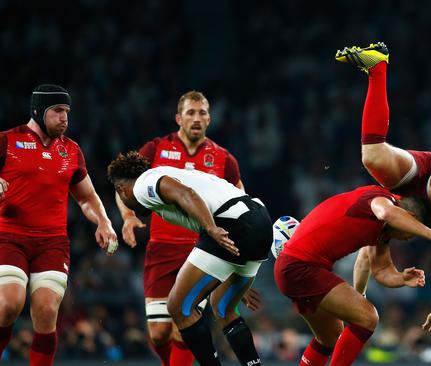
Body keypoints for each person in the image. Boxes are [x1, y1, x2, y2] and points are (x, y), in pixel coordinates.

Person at [335, 42, 431, 330]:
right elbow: (367, 257)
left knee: (371, 156)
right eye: (403, 236)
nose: (396, 237)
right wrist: (358, 300)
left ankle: (378, 70)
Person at [115, 90, 252, 366]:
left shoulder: (224, 158)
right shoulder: (155, 149)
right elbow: (123, 184)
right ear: (179, 117)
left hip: (202, 252)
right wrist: (129, 216)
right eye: (190, 112)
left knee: (183, 324)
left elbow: (241, 205)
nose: (197, 118)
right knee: (159, 333)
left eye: (202, 113)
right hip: (161, 250)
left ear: (210, 119)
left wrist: (240, 265)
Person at [108, 152, 270, 366]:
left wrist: (211, 228)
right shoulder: (174, 177)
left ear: (122, 190)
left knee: (178, 306)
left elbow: (188, 194)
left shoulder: (143, 185)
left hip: (231, 223)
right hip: (260, 221)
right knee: (223, 307)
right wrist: (234, 271)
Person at [274, 185, 431, 366]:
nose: (408, 239)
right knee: (368, 317)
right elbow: (386, 212)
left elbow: (381, 271)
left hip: (293, 267)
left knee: (329, 337)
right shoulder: (382, 200)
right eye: (412, 232)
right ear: (409, 217)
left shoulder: (382, 231)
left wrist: (401, 278)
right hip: (300, 266)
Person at [0, 84, 118, 366]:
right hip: (9, 237)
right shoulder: (7, 141)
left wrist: (103, 221)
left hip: (52, 242)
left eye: (67, 111)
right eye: (58, 111)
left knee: (46, 309)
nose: (65, 117)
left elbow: (87, 198)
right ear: (39, 111)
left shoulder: (71, 151)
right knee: (8, 305)